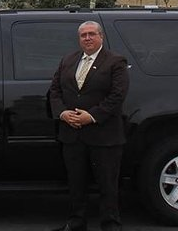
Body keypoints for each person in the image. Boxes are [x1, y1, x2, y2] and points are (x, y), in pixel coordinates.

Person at [48, 21, 129, 231]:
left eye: (91, 34)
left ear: (101, 36)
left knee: (107, 184)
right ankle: (76, 222)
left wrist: (91, 116)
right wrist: (62, 113)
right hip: (72, 135)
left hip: (104, 135)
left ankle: (110, 224)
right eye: (83, 35)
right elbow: (54, 91)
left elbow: (117, 95)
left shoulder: (115, 62)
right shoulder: (68, 60)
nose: (87, 38)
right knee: (76, 184)